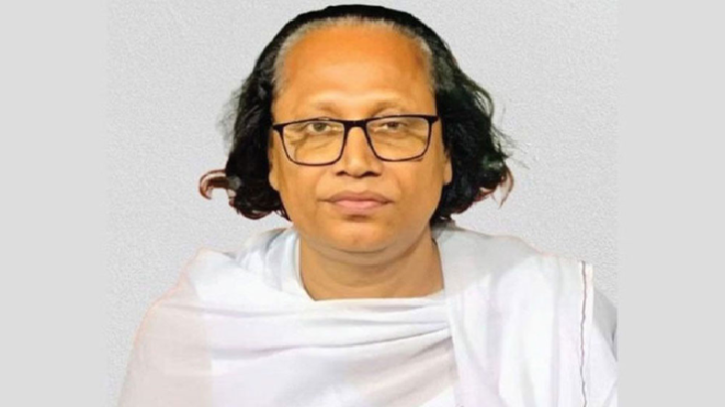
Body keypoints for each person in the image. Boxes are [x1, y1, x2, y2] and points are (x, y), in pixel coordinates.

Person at [118, 4, 617, 407]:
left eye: (394, 125)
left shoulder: (552, 312)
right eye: (317, 127)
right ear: (272, 159)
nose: (356, 162)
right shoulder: (199, 331)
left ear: (447, 153)